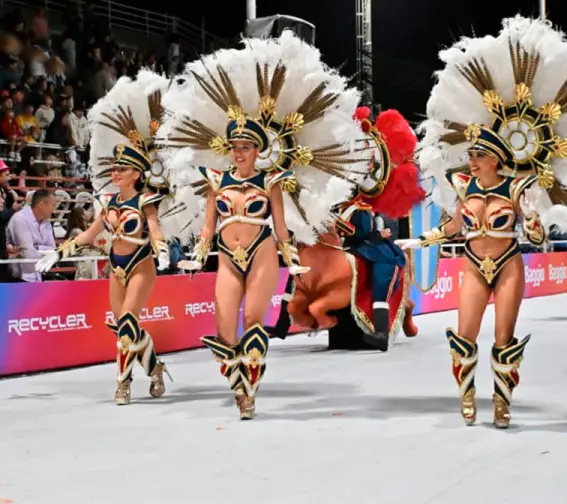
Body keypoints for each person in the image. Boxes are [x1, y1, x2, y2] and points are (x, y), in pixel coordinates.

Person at [408, 16, 567, 428]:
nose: (470, 159)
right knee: (465, 336)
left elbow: (533, 234)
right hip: (473, 264)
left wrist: (531, 218)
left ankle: (502, 400)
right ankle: (468, 396)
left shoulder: (519, 187)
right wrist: (429, 238)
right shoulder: (461, 184)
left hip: (508, 264)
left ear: (496, 158)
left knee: (504, 339)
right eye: (469, 153)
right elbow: (456, 225)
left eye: (477, 154)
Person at [164, 30, 367, 420]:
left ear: (259, 150)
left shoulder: (270, 182)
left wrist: (292, 258)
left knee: (254, 322)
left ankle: (249, 392)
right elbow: (209, 227)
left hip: (260, 257)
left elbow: (281, 226)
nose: (238, 152)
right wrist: (196, 254)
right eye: (234, 147)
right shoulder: (214, 181)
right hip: (226, 259)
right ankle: (239, 380)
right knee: (225, 331)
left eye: (246, 147)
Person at [36, 71, 173, 405]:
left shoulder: (145, 201)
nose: (115, 172)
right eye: (114, 168)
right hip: (116, 268)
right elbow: (89, 234)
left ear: (137, 174)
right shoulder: (109, 203)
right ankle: (155, 369)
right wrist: (61, 251)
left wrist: (162, 250)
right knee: (127, 330)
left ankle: (123, 384)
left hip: (140, 267)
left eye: (122, 169)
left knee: (127, 323)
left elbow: (154, 229)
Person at [266, 106, 425, 349]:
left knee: (382, 277)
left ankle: (381, 333)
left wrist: (363, 229)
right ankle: (281, 325)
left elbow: (370, 226)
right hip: (345, 247)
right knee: (300, 270)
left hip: (373, 246)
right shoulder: (333, 194)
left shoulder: (369, 193)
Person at [7, 188, 57, 281]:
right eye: (53, 205)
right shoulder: (20, 219)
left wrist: (37, 247)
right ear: (42, 205)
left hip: (39, 275)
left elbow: (53, 249)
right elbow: (28, 254)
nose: (54, 209)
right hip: (19, 279)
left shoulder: (46, 222)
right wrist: (46, 250)